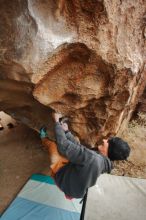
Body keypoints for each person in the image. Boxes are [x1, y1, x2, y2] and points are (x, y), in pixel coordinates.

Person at [40, 113, 130, 199]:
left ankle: (43, 138)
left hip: (63, 182)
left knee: (53, 146)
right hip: (76, 190)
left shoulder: (93, 158)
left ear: (110, 150)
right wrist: (67, 132)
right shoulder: (105, 163)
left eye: (108, 142)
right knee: (75, 140)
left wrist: (56, 122)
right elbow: (82, 150)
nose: (105, 140)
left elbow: (63, 145)